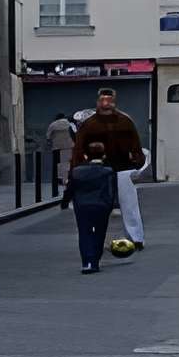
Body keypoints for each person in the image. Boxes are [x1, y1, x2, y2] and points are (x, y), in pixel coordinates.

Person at [71, 86, 147, 253]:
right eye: (103, 100)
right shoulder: (93, 124)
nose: (106, 103)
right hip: (103, 168)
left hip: (118, 168)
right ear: (98, 102)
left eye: (108, 100)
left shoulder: (118, 121)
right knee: (106, 205)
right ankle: (120, 237)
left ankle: (135, 238)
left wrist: (137, 162)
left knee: (126, 204)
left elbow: (135, 145)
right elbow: (78, 149)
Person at [66, 146, 121, 272]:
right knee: (100, 233)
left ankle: (87, 262)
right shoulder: (108, 171)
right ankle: (95, 260)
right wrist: (114, 205)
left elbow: (70, 189)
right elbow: (112, 190)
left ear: (86, 156)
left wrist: (65, 202)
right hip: (102, 206)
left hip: (82, 206)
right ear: (103, 155)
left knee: (84, 232)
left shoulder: (77, 171)